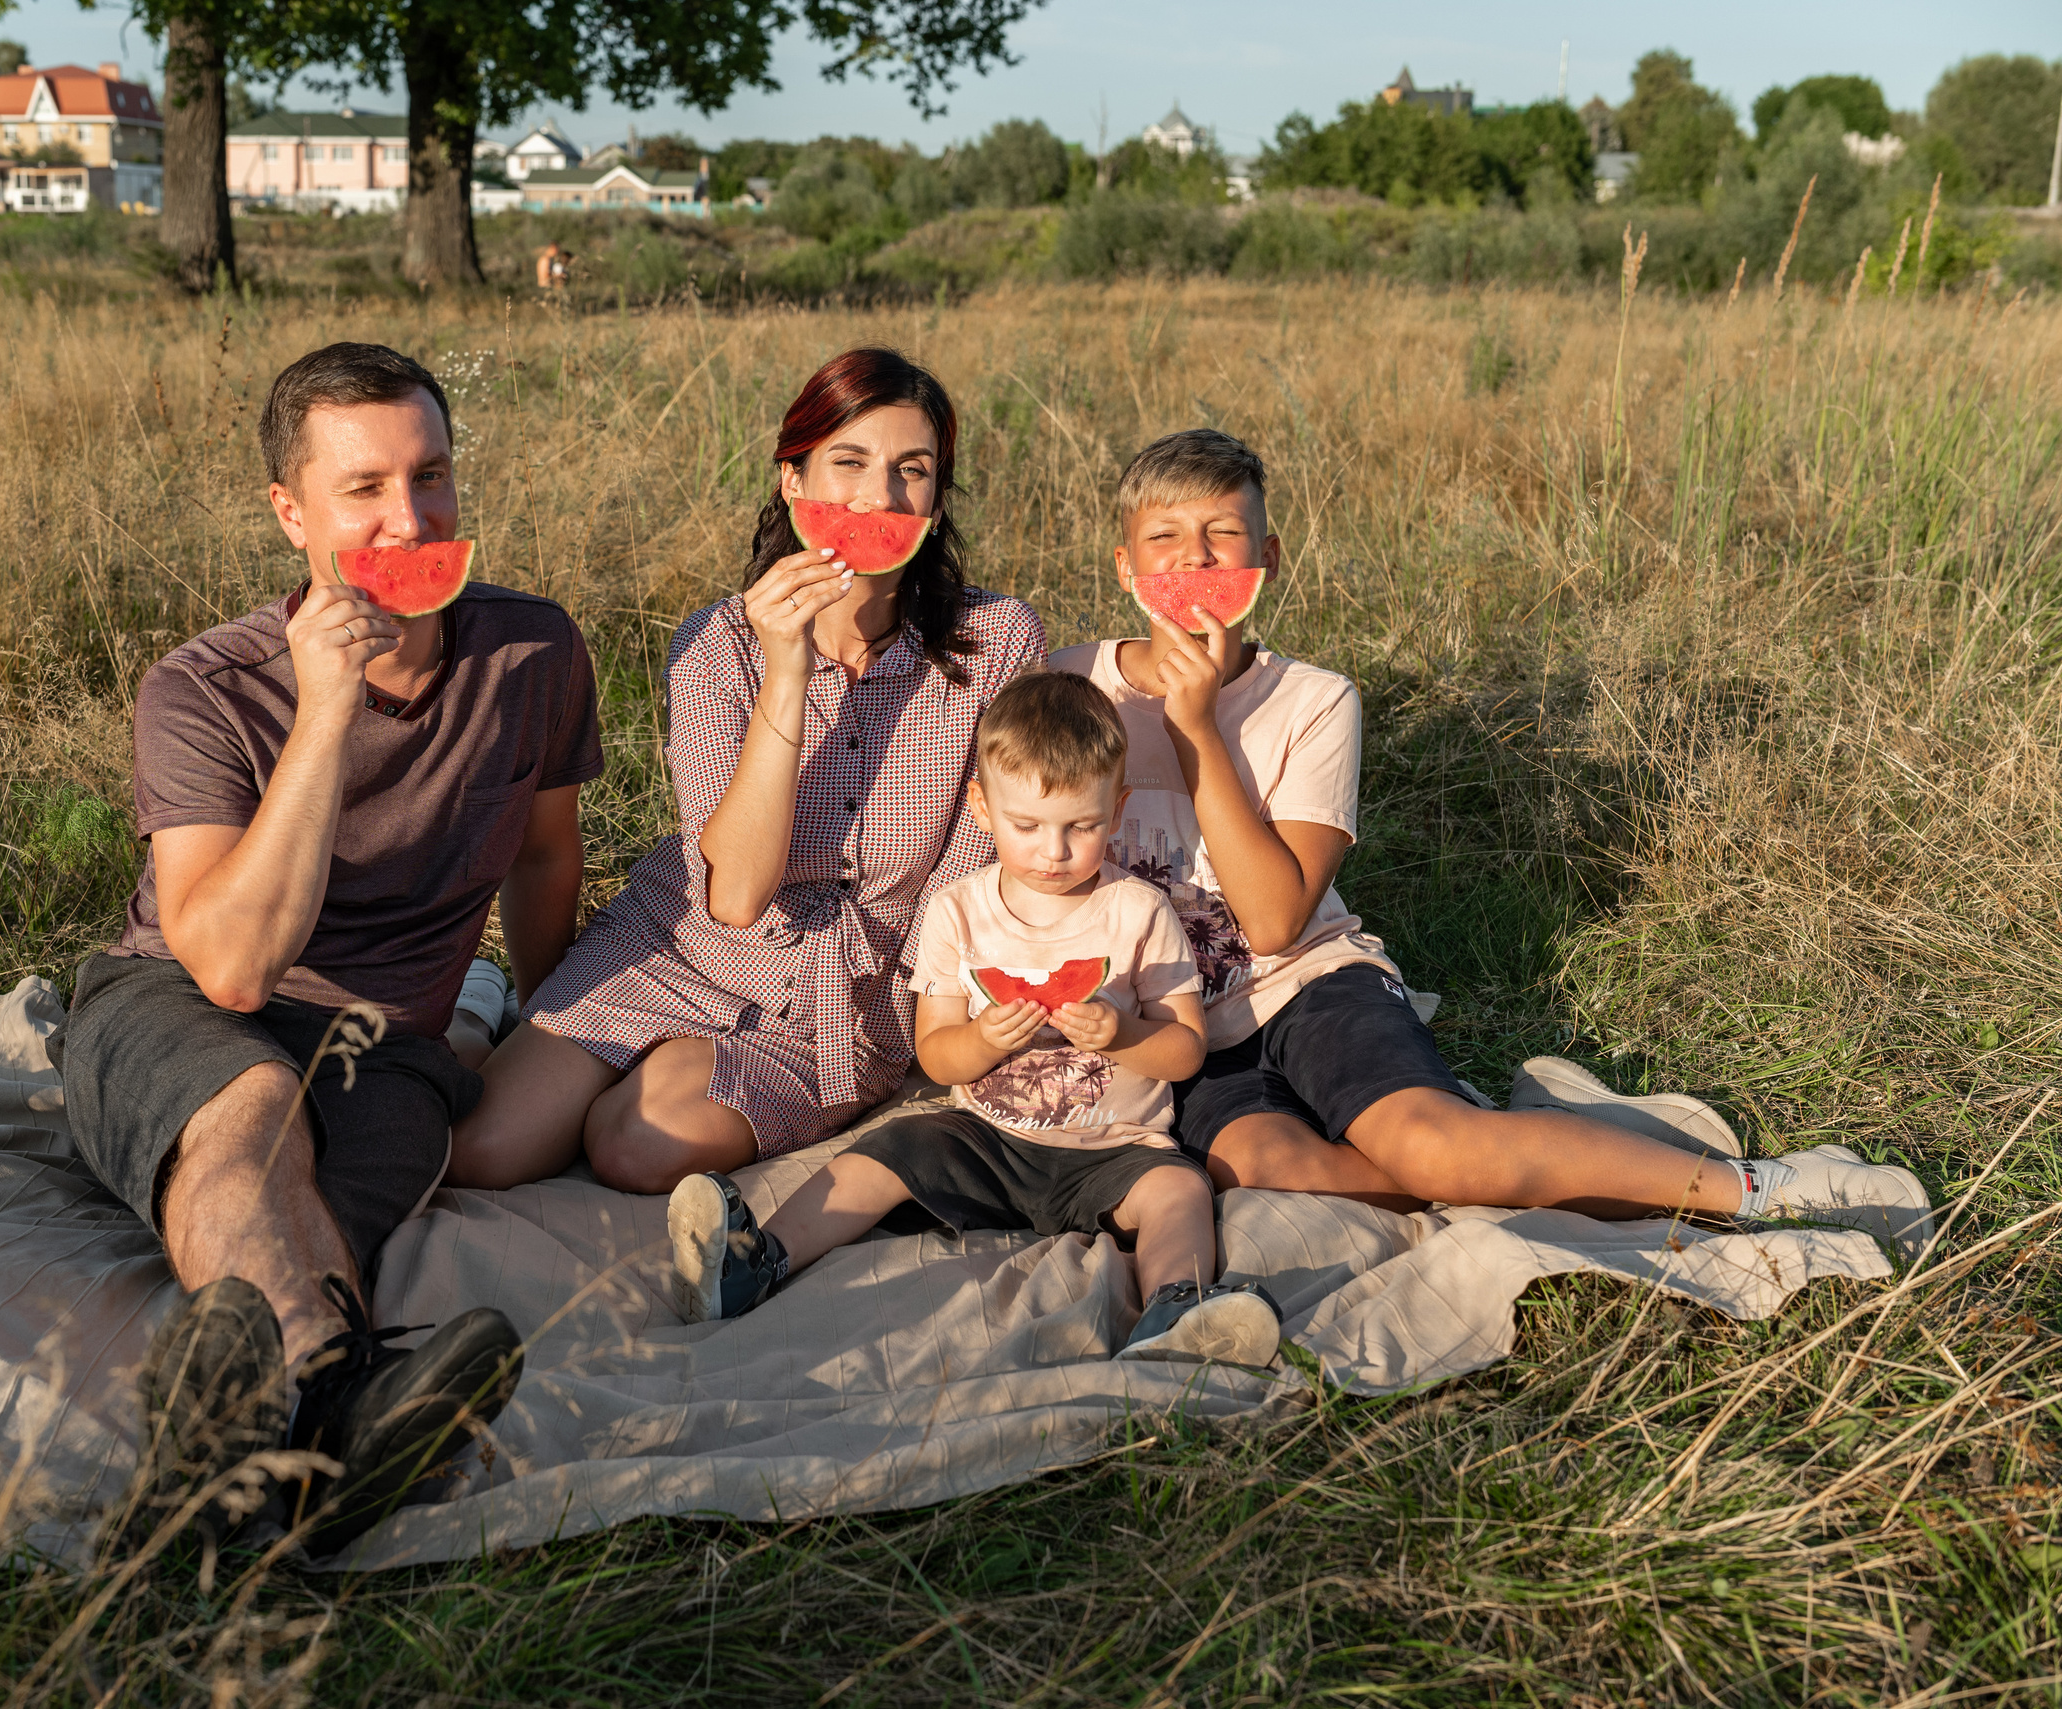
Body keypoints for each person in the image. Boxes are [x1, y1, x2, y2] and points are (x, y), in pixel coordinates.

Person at [1049, 428, 1934, 1250]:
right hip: (1178, 1019)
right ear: (1125, 565)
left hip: (1311, 984)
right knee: (1265, 1172)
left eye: (1223, 533)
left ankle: (1761, 1187)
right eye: (1165, 538)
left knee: (1430, 1148)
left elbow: (1277, 921)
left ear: (1269, 559)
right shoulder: (1067, 683)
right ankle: (1518, 1163)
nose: (1195, 559)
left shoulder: (1316, 699)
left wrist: (1198, 729)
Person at [54, 342, 604, 1562]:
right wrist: (324, 714)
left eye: (432, 475)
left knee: (311, 1206)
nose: (408, 516)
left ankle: (249, 1466)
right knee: (255, 1105)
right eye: (363, 489)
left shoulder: (535, 651)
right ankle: (346, 1411)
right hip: (175, 1000)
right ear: (289, 512)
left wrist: (542, 1021)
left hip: (394, 1052)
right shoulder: (202, 689)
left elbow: (546, 857)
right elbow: (233, 969)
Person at [449, 347, 1048, 1194]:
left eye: (911, 471)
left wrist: (920, 1025)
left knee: (634, 1145)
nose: (880, 498)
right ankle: (484, 1002)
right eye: (849, 463)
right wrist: (789, 668)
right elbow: (732, 897)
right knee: (481, 1152)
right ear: (793, 483)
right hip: (679, 944)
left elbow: (963, 878)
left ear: (939, 500)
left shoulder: (998, 643)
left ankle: (621, 1070)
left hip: (852, 994)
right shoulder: (715, 648)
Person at [666, 672, 1284, 1365]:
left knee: (1180, 1188)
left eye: (1081, 826)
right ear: (983, 808)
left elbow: (1184, 1050)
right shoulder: (957, 908)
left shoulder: (1139, 910)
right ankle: (758, 1261)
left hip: (1115, 1151)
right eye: (1027, 826)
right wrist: (981, 1040)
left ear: (1117, 810)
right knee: (883, 1153)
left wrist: (1126, 1035)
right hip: (987, 1137)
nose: (1054, 851)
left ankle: (1175, 1310)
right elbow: (936, 1055)